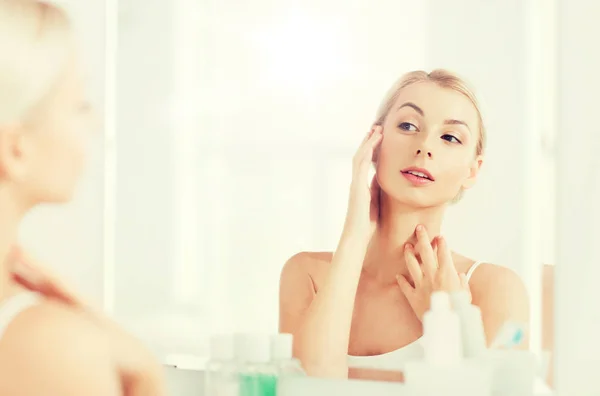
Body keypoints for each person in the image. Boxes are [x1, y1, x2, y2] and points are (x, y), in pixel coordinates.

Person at [278, 69, 530, 379]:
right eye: (408, 125)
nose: (425, 146)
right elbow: (311, 387)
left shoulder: (491, 289)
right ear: (375, 142)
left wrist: (447, 320)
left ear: (472, 171)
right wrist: (354, 238)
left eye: (450, 137)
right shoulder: (307, 275)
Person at [0, 0, 165, 394]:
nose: (95, 125)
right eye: (80, 105)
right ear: (16, 149)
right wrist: (145, 372)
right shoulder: (52, 345)